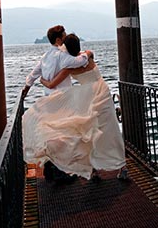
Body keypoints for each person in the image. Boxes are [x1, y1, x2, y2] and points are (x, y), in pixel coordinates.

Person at [23, 33, 128, 181]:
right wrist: (88, 53)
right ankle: (120, 166)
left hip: (91, 96)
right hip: (101, 91)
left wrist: (42, 80)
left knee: (90, 133)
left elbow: (52, 84)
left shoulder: (70, 66)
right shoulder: (86, 57)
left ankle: (95, 169)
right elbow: (90, 54)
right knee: (110, 130)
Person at [23, 25, 89, 183]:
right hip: (62, 101)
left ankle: (50, 168)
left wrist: (26, 88)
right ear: (59, 39)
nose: (66, 38)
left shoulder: (46, 56)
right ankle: (60, 171)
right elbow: (79, 61)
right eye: (64, 35)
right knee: (64, 136)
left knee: (51, 136)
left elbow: (34, 74)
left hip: (48, 101)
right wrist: (88, 54)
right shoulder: (61, 56)